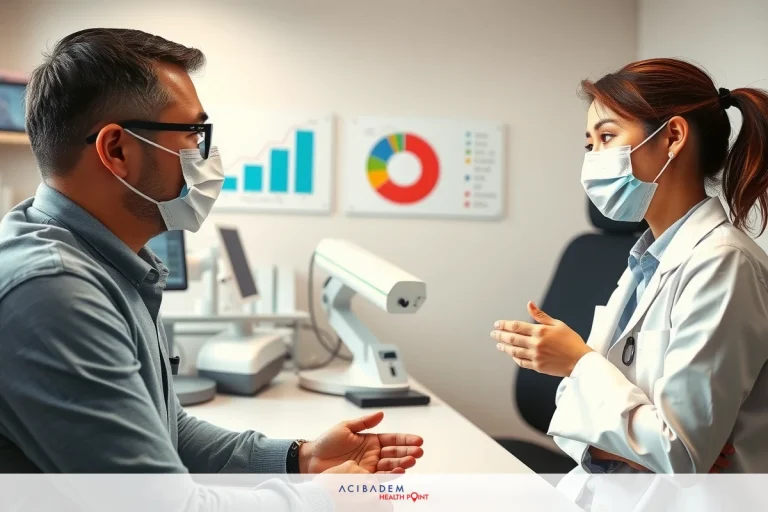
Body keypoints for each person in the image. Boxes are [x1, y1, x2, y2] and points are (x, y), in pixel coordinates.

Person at [0, 28, 422, 508]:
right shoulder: (53, 291)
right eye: (193, 134)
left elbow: (166, 429)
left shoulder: (110, 264)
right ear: (116, 149)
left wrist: (300, 460)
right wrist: (320, 498)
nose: (205, 157)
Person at [490, 58, 768, 474]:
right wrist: (616, 443)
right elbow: (568, 422)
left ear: (672, 137)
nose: (594, 158)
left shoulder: (724, 264)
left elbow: (681, 454)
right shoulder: (644, 262)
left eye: (607, 137)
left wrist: (578, 362)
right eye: (590, 145)